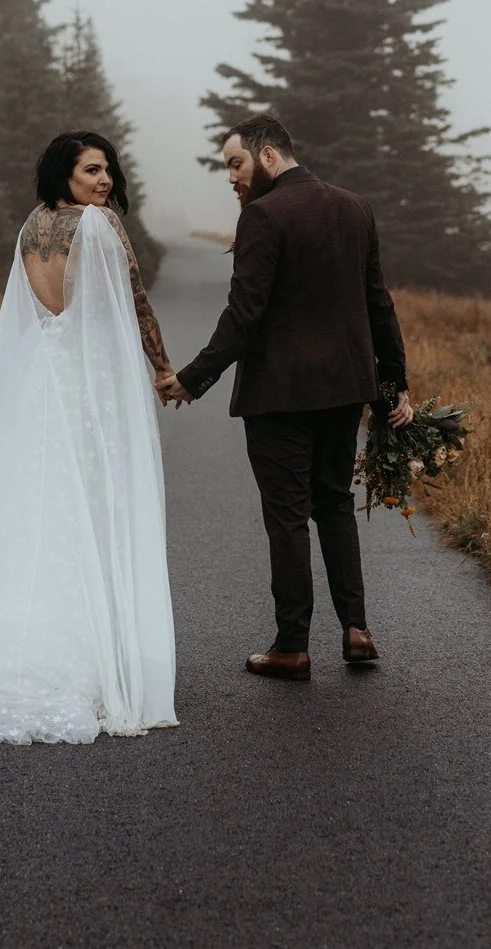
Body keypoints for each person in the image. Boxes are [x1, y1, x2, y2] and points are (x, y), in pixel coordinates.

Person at [0, 132, 179, 743]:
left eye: (107, 169)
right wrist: (163, 368)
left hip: (37, 377)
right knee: (89, 503)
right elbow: (135, 300)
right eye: (91, 170)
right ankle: (89, 652)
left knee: (28, 505)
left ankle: (0, 647)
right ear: (64, 174)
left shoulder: (30, 226)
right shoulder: (99, 225)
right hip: (86, 379)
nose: (104, 180)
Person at [157, 114, 411, 681]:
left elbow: (244, 315)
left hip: (280, 396)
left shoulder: (263, 216)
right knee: (335, 503)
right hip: (344, 391)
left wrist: (193, 378)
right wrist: (393, 386)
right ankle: (357, 629)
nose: (231, 178)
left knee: (288, 516)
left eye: (236, 164)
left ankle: (292, 647)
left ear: (268, 155)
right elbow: (378, 302)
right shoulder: (356, 208)